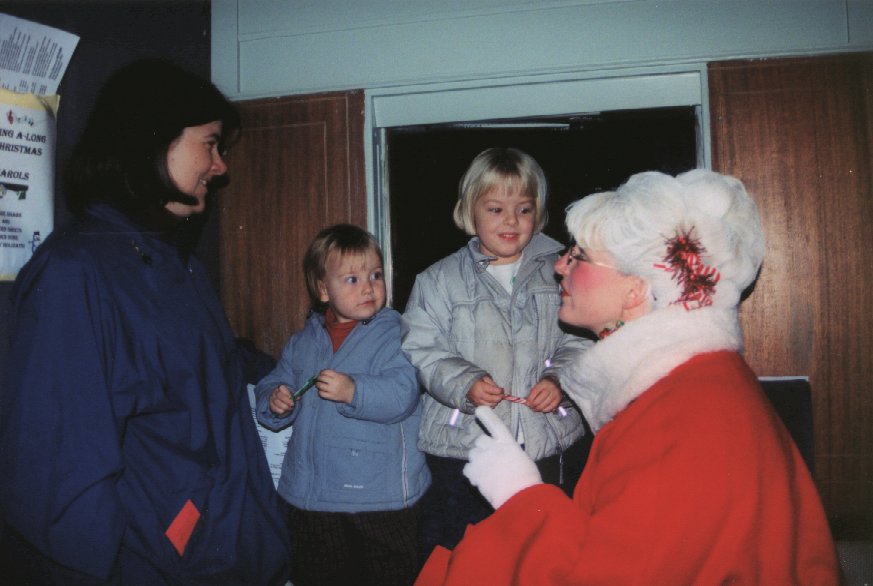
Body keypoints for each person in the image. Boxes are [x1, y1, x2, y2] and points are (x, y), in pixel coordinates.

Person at [415, 169, 840, 584]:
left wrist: (521, 496)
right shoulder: (685, 385)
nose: (560, 264)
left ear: (635, 289)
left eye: (579, 256)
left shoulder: (683, 417)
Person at [0, 59, 290, 585]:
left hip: (222, 561)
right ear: (154, 139)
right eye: (210, 144)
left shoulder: (176, 263)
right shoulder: (75, 271)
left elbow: (203, 373)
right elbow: (59, 484)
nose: (220, 167)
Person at [401, 147, 592, 563]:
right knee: (470, 556)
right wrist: (464, 382)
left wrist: (557, 380)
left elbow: (581, 340)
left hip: (547, 443)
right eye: (496, 209)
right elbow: (422, 349)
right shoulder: (437, 280)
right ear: (470, 210)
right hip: (466, 447)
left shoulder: (560, 270)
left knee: (543, 555)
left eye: (524, 209)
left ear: (538, 213)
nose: (511, 221)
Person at [254, 223, 431, 586]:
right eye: (352, 279)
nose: (368, 287)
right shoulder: (302, 342)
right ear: (323, 289)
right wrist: (276, 400)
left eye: (375, 275)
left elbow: (403, 392)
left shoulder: (396, 333)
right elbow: (273, 382)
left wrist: (354, 391)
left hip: (379, 501)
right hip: (310, 499)